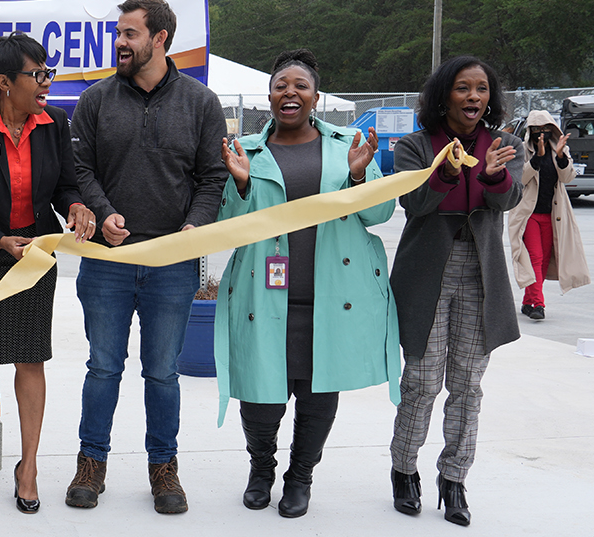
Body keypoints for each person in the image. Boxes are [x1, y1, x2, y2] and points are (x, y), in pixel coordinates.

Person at [214, 49, 400, 518]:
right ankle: (261, 470)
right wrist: (240, 185)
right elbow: (230, 226)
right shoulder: (248, 152)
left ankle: (300, 478)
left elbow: (378, 213)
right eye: (281, 85)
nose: (289, 92)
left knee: (318, 398)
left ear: (315, 96)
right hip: (264, 296)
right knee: (260, 399)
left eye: (300, 85)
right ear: (270, 96)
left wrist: (358, 175)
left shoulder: (348, 146)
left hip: (330, 301)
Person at [65, 0, 227, 514]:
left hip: (173, 265)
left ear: (159, 38)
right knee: (103, 368)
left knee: (162, 372)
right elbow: (79, 169)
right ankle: (91, 464)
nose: (120, 42)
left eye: (130, 33)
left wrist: (193, 227)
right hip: (106, 264)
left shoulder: (201, 103)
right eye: (119, 33)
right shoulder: (95, 99)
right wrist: (102, 211)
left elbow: (213, 178)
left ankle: (164, 468)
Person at [0, 33, 95, 517]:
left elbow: (66, 185)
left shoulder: (54, 123)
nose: (46, 82)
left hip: (34, 260)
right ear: (5, 83)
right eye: (37, 74)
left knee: (31, 360)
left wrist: (75, 205)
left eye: (48, 72)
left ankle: (27, 466)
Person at [389, 55, 523, 527]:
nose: (473, 98)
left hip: (480, 273)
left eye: (481, 90)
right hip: (426, 273)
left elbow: (509, 200)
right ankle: (404, 470)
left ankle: (454, 479)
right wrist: (445, 171)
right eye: (463, 89)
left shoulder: (504, 145)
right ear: (444, 94)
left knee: (467, 384)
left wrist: (490, 174)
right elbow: (414, 203)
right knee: (422, 381)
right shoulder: (415, 145)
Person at [508, 110, 589, 319]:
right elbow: (520, 179)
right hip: (529, 215)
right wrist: (537, 158)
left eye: (545, 129)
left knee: (543, 261)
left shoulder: (559, 148)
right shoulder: (523, 150)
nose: (541, 134)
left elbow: (568, 176)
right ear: (530, 131)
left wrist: (561, 156)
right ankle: (538, 304)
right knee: (534, 257)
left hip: (553, 215)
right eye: (536, 130)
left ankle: (528, 302)